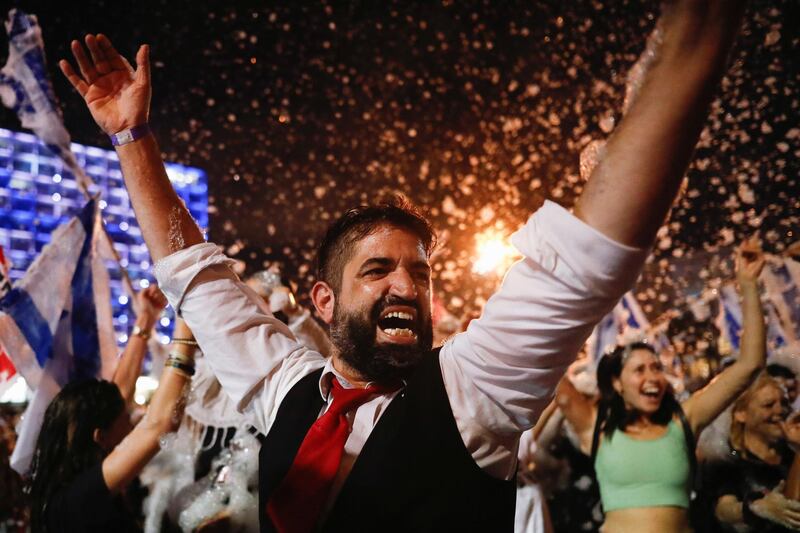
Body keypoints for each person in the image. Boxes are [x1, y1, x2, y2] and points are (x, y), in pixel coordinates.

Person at [59, 1, 747, 529]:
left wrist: (692, 39)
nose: (406, 286)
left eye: (419, 273)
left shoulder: (473, 387)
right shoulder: (285, 384)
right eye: (378, 270)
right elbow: (193, 272)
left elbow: (586, 256)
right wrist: (130, 134)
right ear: (321, 303)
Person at [556, 239, 767, 532]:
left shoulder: (684, 421)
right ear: (617, 384)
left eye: (656, 368)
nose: (652, 377)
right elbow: (551, 369)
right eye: (639, 370)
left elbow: (749, 365)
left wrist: (747, 285)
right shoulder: (596, 428)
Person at [28, 287, 195, 533]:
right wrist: (186, 330)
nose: (134, 423)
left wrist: (145, 320)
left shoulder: (67, 478)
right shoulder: (78, 499)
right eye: (127, 418)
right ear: (101, 438)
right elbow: (159, 425)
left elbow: (120, 392)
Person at [709, 375, 800, 532]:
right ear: (741, 414)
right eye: (768, 405)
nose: (780, 410)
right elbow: (723, 510)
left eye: (784, 403)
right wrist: (756, 507)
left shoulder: (792, 456)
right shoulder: (727, 462)